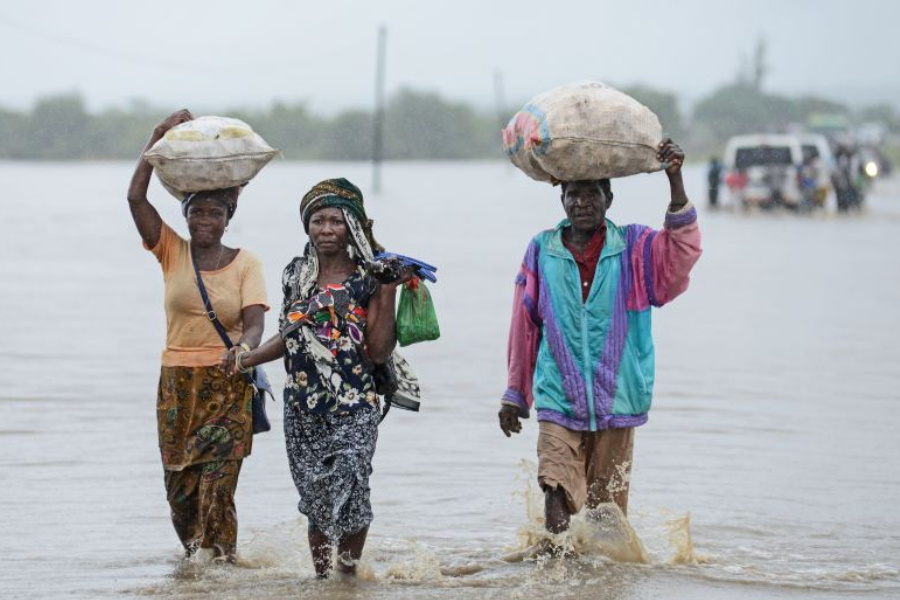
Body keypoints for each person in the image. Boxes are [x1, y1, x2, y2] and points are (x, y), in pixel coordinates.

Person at [498, 139, 702, 545]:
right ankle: (553, 576)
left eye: (592, 194)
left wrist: (674, 178)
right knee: (554, 489)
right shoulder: (542, 250)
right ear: (562, 200)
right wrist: (515, 394)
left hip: (618, 400)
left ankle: (598, 584)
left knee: (606, 519)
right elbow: (525, 325)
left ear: (609, 199)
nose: (582, 204)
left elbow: (681, 255)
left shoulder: (635, 248)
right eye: (574, 194)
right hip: (559, 398)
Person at [228, 178, 419, 578]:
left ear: (352, 226)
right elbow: (287, 335)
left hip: (355, 403)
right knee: (315, 495)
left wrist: (387, 292)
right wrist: (246, 360)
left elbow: (380, 351)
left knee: (351, 482)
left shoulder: (371, 277)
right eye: (318, 220)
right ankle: (322, 580)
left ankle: (346, 577)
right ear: (307, 225)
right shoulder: (295, 275)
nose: (327, 229)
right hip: (303, 404)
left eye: (336, 220)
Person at [127, 109, 270, 563]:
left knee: (217, 487)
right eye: (197, 212)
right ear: (186, 216)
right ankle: (197, 566)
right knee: (180, 489)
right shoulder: (172, 251)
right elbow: (135, 200)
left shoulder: (247, 262)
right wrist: (156, 137)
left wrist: (245, 350)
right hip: (176, 386)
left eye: (214, 212)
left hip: (228, 382)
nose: (205, 220)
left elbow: (255, 323)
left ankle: (222, 569)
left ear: (228, 218)